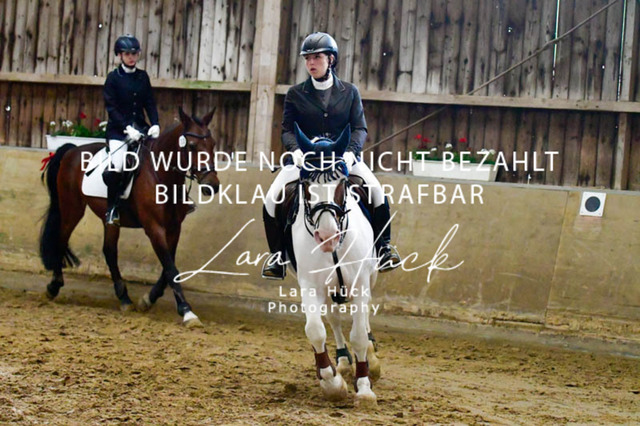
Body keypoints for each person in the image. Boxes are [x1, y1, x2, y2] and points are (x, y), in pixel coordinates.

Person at [262, 32, 401, 279]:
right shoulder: (295, 94)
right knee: (271, 199)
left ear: (331, 59)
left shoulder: (349, 92)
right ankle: (277, 257)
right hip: (306, 161)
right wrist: (296, 151)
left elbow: (359, 128)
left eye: (316, 57)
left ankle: (384, 248)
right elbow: (287, 130)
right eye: (307, 58)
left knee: (377, 192)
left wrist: (350, 153)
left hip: (342, 160)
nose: (311, 63)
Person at [103, 34, 160, 226]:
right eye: (127, 54)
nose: (131, 57)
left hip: (141, 129)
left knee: (159, 158)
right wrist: (127, 128)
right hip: (119, 132)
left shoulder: (142, 77)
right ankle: (112, 208)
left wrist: (155, 123)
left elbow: (149, 102)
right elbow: (111, 108)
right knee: (118, 164)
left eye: (134, 54)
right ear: (120, 55)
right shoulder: (113, 78)